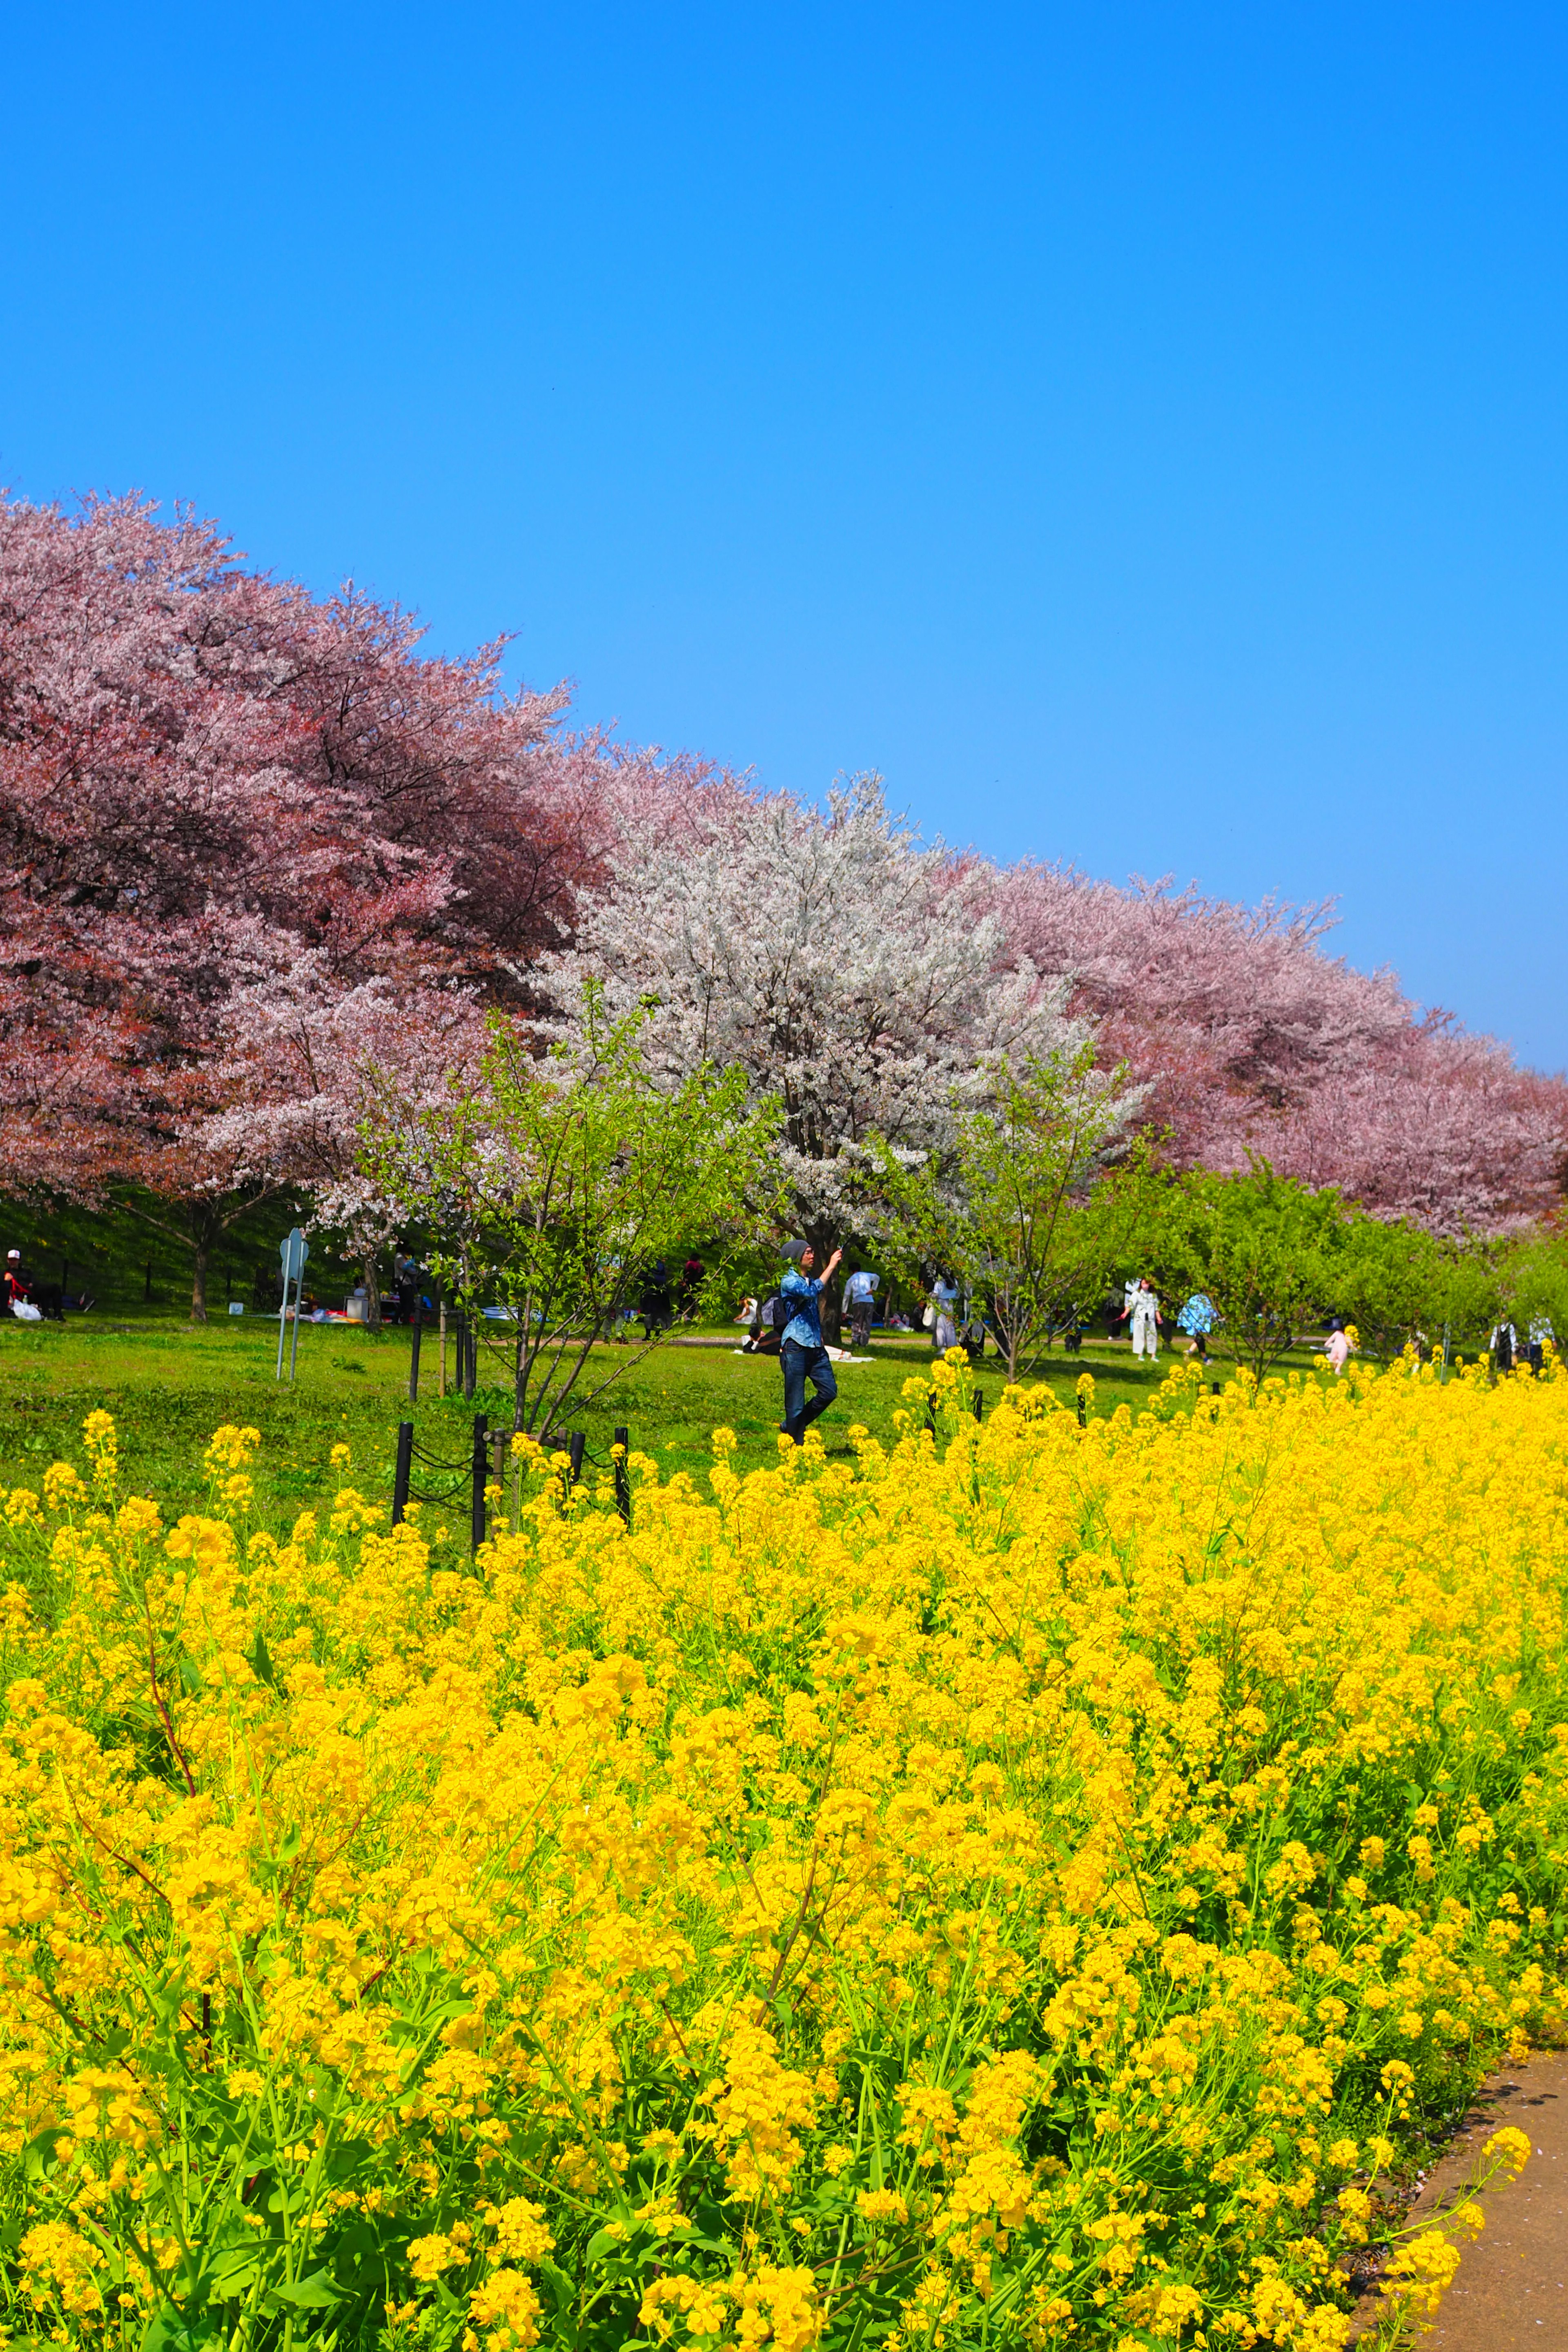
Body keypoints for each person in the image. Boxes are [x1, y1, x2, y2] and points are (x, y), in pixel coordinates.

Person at [777, 1238, 843, 1443]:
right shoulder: (789, 1281)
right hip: (795, 1346)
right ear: (796, 1257)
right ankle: (796, 1446)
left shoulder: (809, 1279)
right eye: (808, 1252)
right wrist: (832, 1265)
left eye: (812, 1251)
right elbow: (811, 1292)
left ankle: (792, 1425)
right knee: (795, 1401)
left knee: (829, 1391)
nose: (812, 1255)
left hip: (815, 1346)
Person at [1119, 1276, 1161, 1359]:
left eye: (1146, 1284)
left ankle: (1153, 1355)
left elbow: (1157, 1308)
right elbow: (1130, 1305)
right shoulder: (1137, 1294)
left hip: (1150, 1318)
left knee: (1152, 1335)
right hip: (1140, 1318)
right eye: (1143, 1284)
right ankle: (1140, 1354)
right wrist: (1125, 1313)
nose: (1144, 1286)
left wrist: (1159, 1318)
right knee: (1139, 1336)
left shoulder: (1153, 1295)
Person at [1177, 1291, 1217, 1362]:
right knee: (1200, 1340)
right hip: (1202, 1324)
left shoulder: (1193, 1299)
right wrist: (1216, 1316)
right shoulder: (1205, 1300)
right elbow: (1209, 1312)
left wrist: (1180, 1321)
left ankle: (1191, 1353)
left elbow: (1185, 1310)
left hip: (1194, 1323)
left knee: (1199, 1339)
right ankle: (1203, 1358)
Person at [844, 1265, 879, 1347]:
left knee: (857, 1321)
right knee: (867, 1322)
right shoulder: (867, 1275)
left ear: (851, 1271)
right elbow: (877, 1278)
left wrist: (844, 1310)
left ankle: (855, 1339)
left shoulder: (851, 1279)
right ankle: (864, 1343)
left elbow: (847, 1296)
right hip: (869, 1300)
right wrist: (873, 1289)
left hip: (858, 1301)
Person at [930, 1273, 960, 1354]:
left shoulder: (940, 1283)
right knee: (950, 1325)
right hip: (950, 1303)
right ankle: (952, 1346)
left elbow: (936, 1295)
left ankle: (943, 1346)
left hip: (941, 1303)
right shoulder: (955, 1282)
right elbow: (957, 1295)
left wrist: (930, 1295)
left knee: (941, 1326)